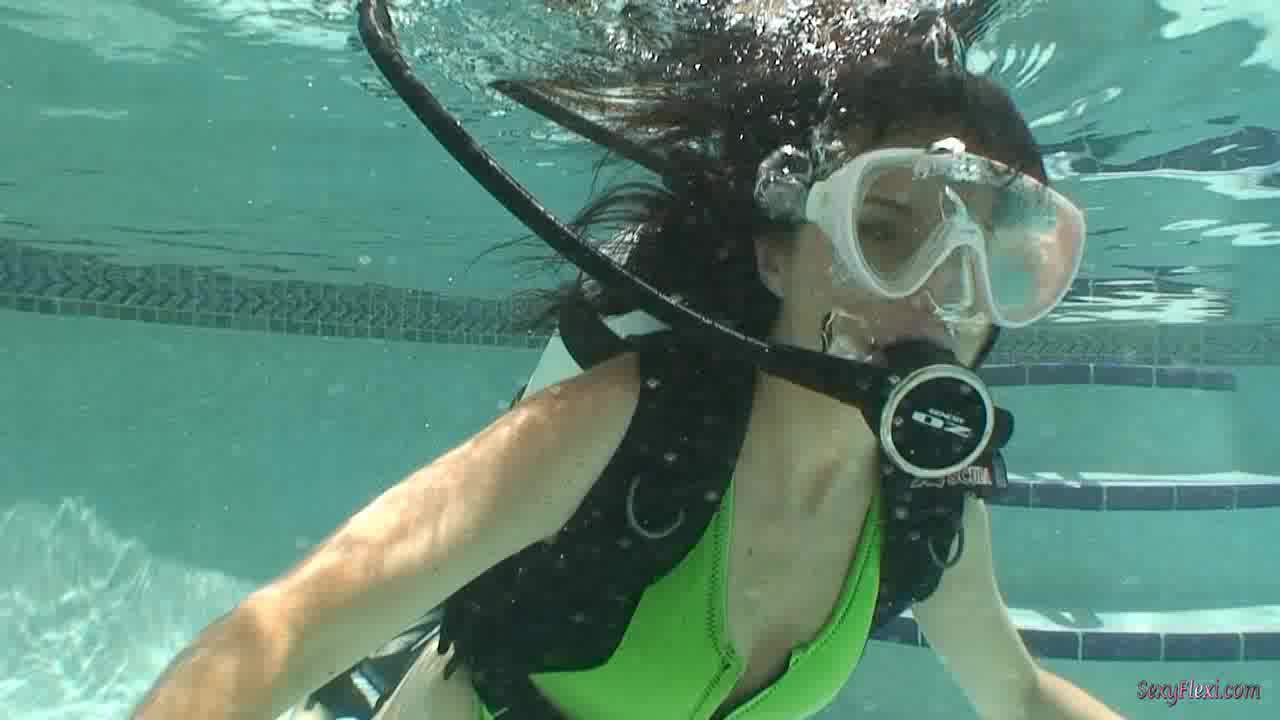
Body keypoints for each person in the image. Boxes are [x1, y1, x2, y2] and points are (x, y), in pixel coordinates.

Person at [132, 3, 1123, 719]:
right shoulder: (625, 430)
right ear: (776, 253)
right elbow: (284, 635)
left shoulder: (923, 498)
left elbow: (1018, 694)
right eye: (885, 228)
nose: (941, 295)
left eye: (989, 256)